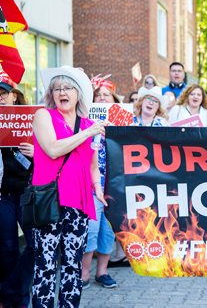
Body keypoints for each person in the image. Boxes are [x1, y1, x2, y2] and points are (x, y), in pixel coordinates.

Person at [31, 66, 107, 306]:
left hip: (79, 203)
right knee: (45, 265)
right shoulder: (43, 116)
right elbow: (53, 149)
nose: (61, 92)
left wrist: (98, 186)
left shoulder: (88, 124)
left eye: (67, 88)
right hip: (49, 202)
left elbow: (93, 165)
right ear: (51, 94)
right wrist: (87, 133)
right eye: (56, 88)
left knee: (73, 267)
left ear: (78, 93)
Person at [81, 75, 119, 290]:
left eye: (107, 95)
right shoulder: (86, 120)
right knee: (92, 226)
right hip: (92, 179)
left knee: (108, 228)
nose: (103, 98)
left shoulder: (123, 121)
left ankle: (102, 272)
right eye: (99, 95)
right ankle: (84, 273)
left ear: (114, 99)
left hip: (115, 181)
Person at [0, 72, 34, 307]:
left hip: (27, 193)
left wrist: (36, 154)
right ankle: (18, 300)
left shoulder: (32, 120)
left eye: (3, 94)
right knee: (7, 248)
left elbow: (52, 150)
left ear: (14, 96)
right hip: (3, 196)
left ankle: (10, 291)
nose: (0, 98)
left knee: (35, 245)